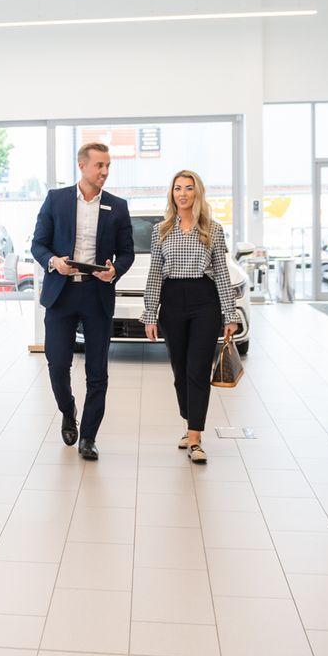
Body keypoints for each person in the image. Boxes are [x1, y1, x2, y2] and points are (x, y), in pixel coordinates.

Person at [30, 142, 135, 461]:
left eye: (108, 166)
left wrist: (115, 270)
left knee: (97, 370)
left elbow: (127, 252)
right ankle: (68, 409)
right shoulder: (56, 199)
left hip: (96, 294)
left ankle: (88, 436)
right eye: (99, 165)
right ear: (82, 165)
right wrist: (54, 262)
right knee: (57, 363)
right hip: (61, 293)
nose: (105, 171)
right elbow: (38, 244)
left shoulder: (118, 207)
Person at [141, 170, 237, 463]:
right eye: (177, 188)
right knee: (179, 372)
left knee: (198, 371)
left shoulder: (213, 229)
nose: (182, 193)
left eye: (188, 188)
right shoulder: (161, 230)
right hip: (172, 302)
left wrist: (230, 314)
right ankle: (189, 421)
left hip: (204, 302)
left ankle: (195, 438)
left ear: (198, 193)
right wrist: (150, 313)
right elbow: (155, 273)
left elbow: (222, 273)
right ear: (172, 194)